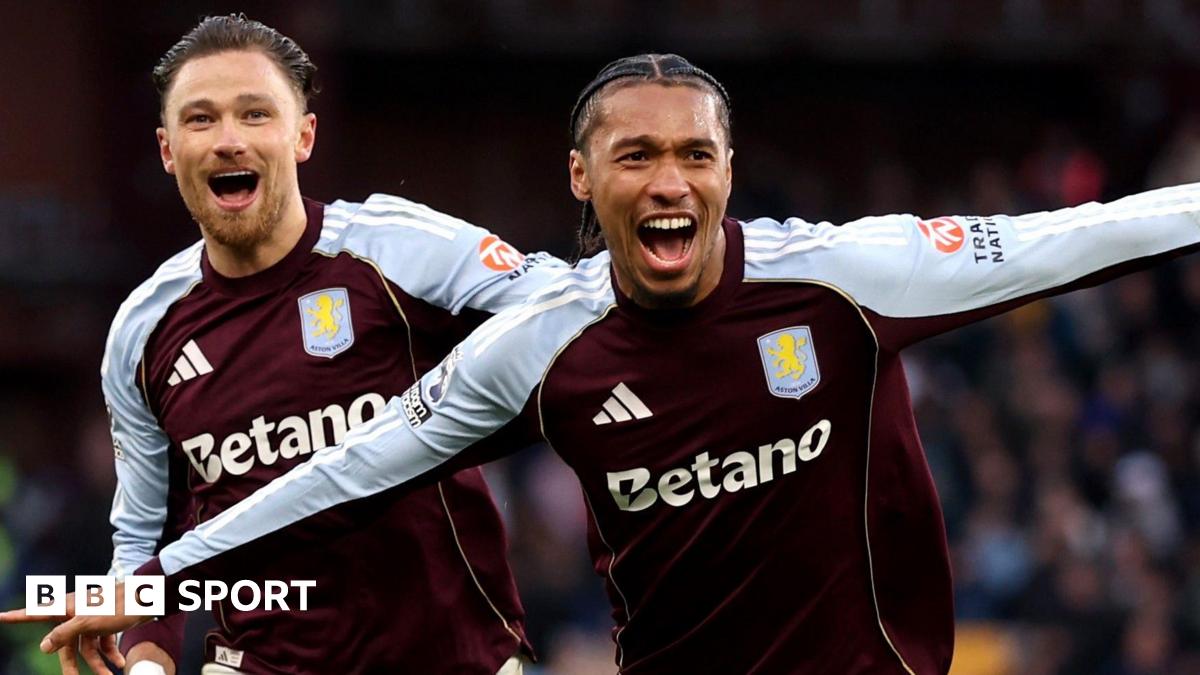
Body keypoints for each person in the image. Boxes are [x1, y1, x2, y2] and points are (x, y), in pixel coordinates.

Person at [11, 54, 1200, 674]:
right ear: (585, 181)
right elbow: (349, 469)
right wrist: (162, 576)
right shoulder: (545, 346)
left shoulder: (847, 279)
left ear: (730, 171)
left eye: (696, 154)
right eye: (636, 156)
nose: (670, 180)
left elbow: (1080, 236)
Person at [45, 14, 569, 675]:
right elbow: (148, 534)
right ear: (167, 149)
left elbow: (565, 306)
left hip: (447, 656)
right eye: (201, 119)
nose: (229, 140)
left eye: (256, 114)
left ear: (303, 135)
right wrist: (144, 660)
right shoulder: (144, 328)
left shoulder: (399, 249)